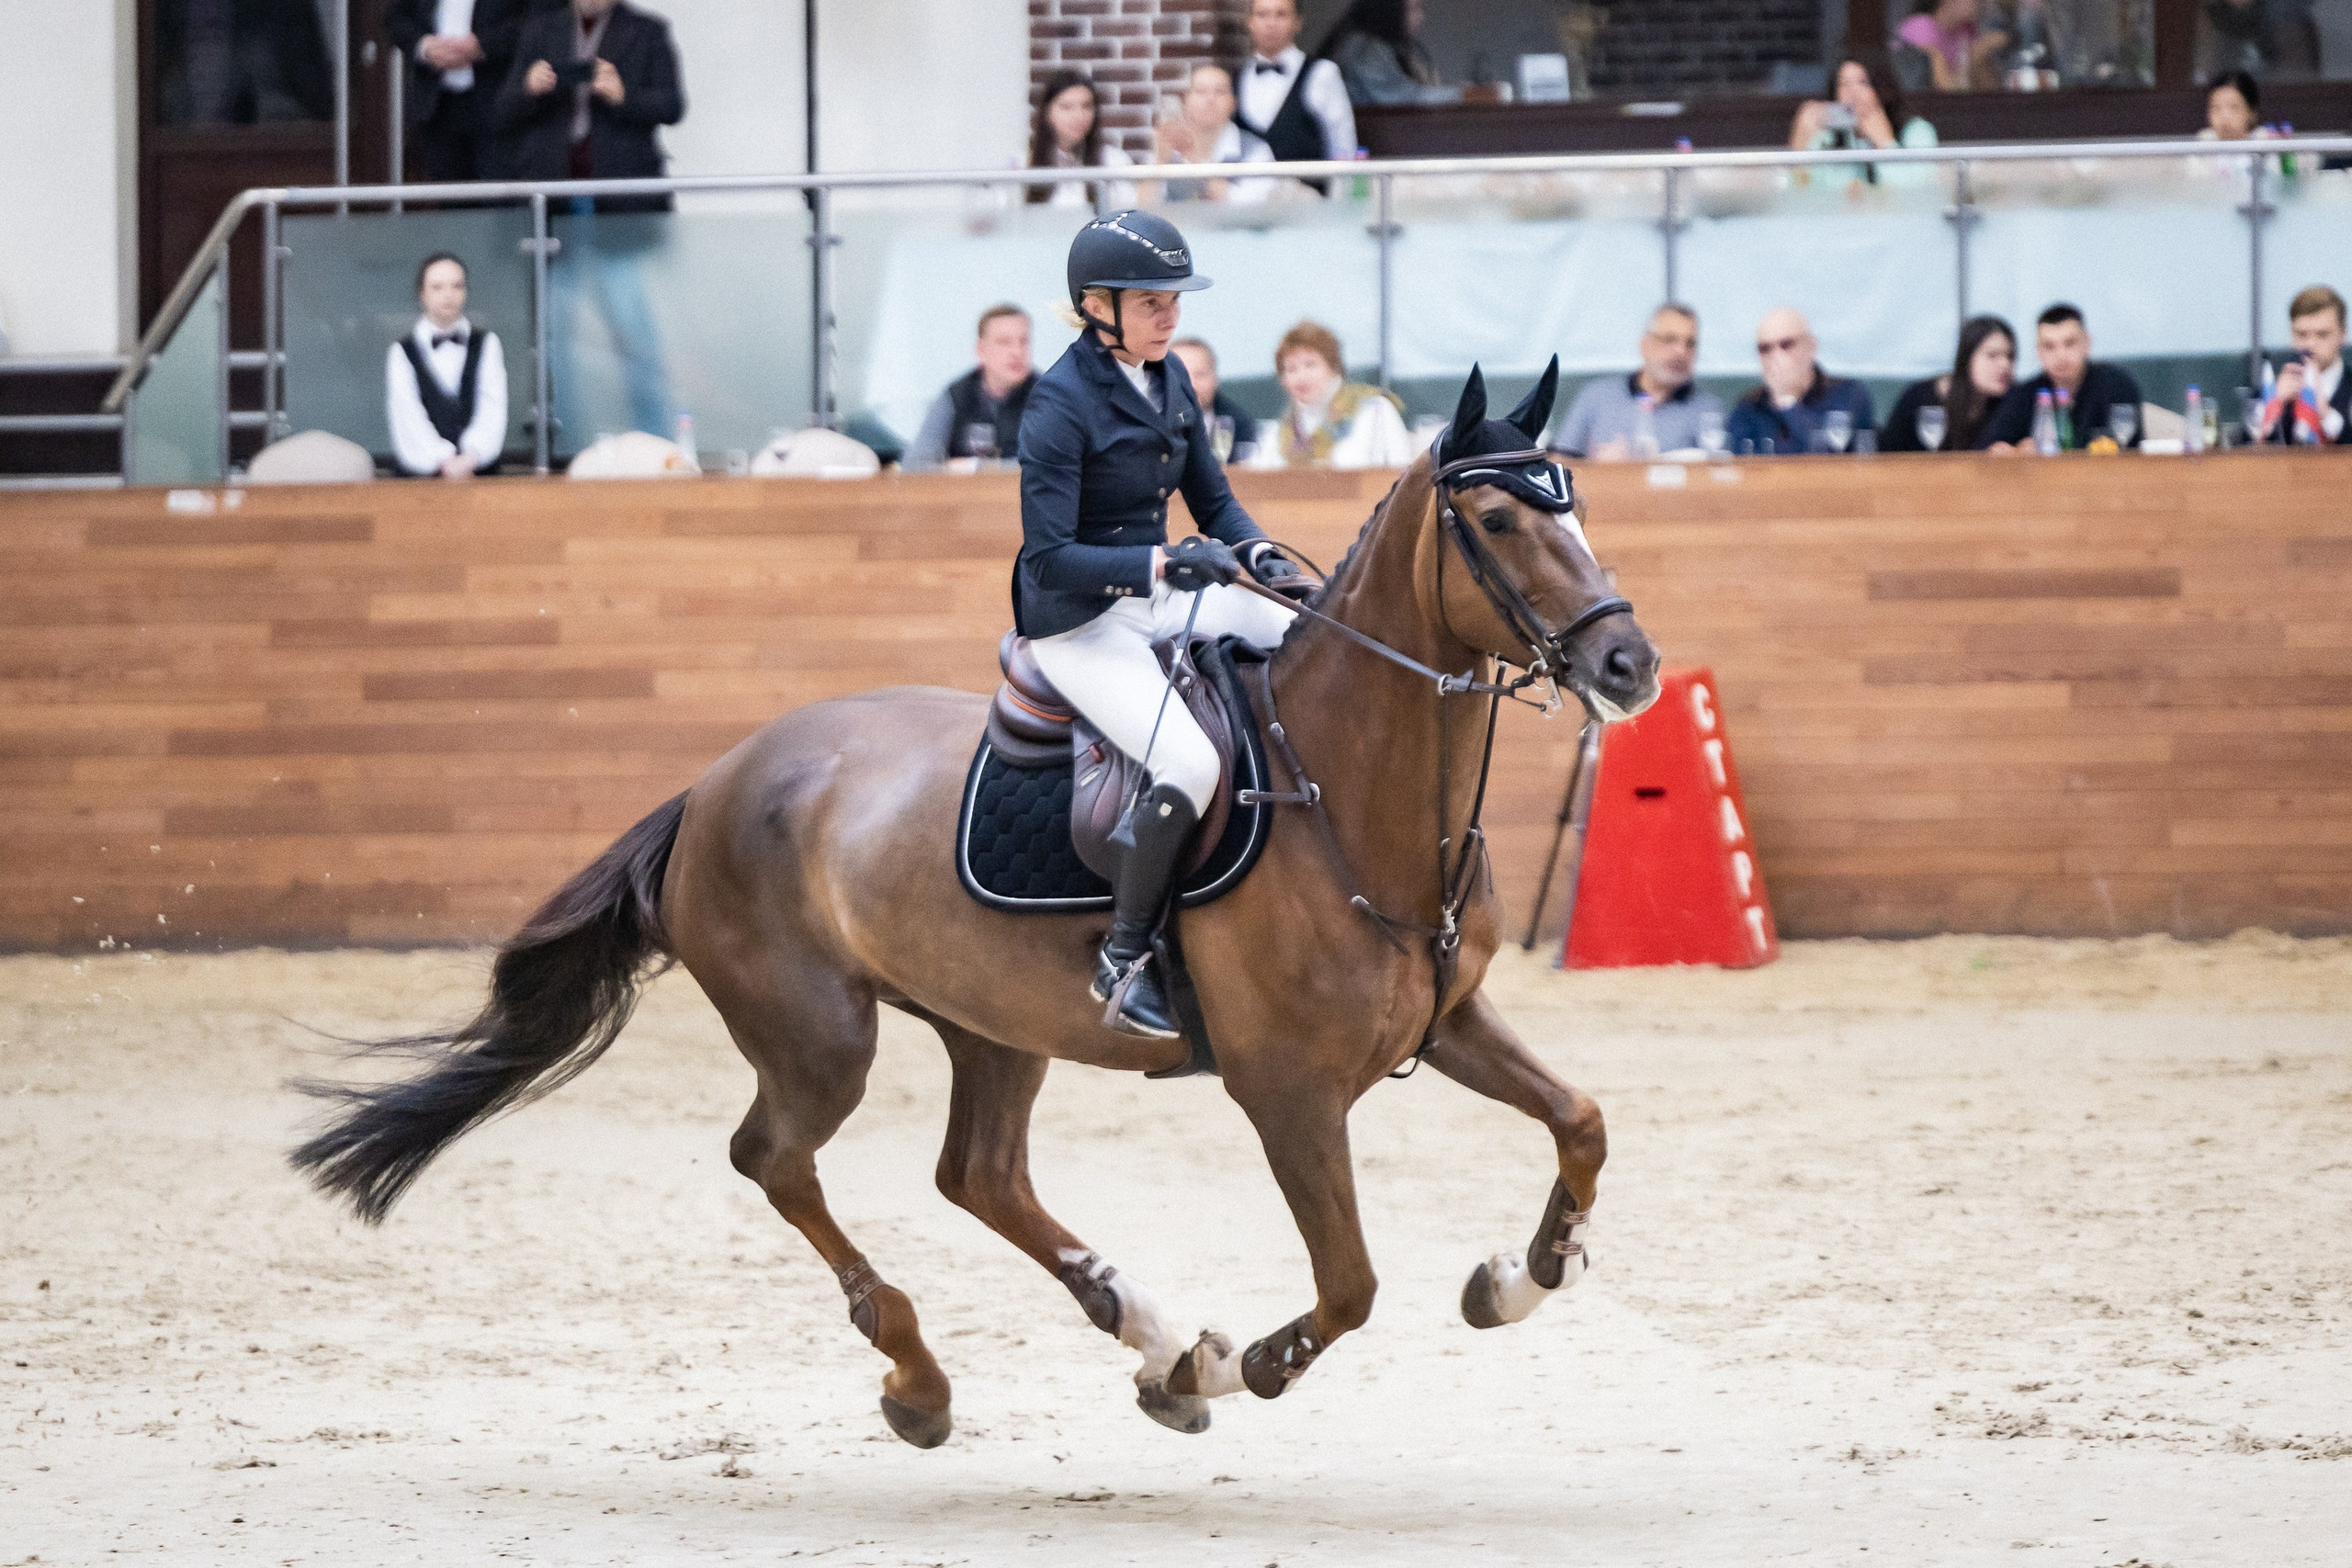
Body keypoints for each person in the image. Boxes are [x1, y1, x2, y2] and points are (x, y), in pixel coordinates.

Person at [1016, 211, 1311, 1037]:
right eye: (1152, 303)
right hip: (1081, 621)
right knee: (1187, 761)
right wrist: (1162, 565)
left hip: (1164, 589)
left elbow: (1212, 499)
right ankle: (1126, 952)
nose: (1171, 317)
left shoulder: (1171, 375)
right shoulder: (1057, 404)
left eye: (1175, 302)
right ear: (1097, 306)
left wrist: (1259, 557)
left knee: (1305, 635)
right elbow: (1048, 557)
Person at [496, 0, 685, 449]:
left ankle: (657, 441)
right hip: (554, 203)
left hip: (616, 203)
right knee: (555, 335)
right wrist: (527, 87)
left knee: (632, 328)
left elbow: (673, 106)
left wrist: (624, 96)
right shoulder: (542, 28)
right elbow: (501, 113)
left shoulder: (648, 31)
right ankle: (567, 444)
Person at [384, 0, 545, 181]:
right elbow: (396, 19)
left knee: (496, 196)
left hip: (498, 103)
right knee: (449, 198)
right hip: (438, 107)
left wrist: (482, 46)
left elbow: (536, 20)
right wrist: (424, 46)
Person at [386, 252, 508, 479]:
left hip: (480, 474)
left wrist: (471, 458)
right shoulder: (401, 352)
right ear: (422, 293)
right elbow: (408, 416)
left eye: (457, 286)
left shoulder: (487, 344)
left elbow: (493, 408)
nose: (448, 295)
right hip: (420, 479)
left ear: (466, 291)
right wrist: (442, 459)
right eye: (437, 287)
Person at [1549, 303, 1724, 458]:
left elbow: (1722, 478)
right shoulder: (1596, 397)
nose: (1680, 351)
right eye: (1669, 340)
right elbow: (1558, 464)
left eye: (1690, 344)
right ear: (1644, 344)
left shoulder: (1708, 410)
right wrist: (1598, 470)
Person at [1981, 304, 2144, 452]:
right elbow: (1988, 448)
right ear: (2038, 352)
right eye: (2049, 346)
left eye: (2069, 343)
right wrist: (2013, 450)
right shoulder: (2024, 394)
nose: (2061, 356)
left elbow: (2131, 449)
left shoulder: (2117, 384)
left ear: (2086, 343)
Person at [1250, 321, 1413, 469]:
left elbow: (1404, 479)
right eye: (1291, 369)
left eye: (1310, 364)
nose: (1301, 376)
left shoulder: (1375, 410)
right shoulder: (1280, 430)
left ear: (1333, 366)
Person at [1235, 0, 1359, 192]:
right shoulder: (1235, 79)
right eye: (1262, 14)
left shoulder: (1322, 73)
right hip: (1246, 209)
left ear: (1298, 22)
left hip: (1309, 208)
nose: (1271, 23)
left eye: (1281, 14)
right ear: (1250, 22)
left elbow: (1343, 148)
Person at [1725, 309, 1877, 455]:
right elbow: (1735, 465)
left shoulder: (1847, 394)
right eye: (1765, 349)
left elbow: (1827, 457)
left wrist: (1788, 401)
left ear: (1811, 348)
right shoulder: (1749, 408)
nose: (1776, 356)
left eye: (1786, 345)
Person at [906, 305, 1037, 470]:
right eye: (1005, 342)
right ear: (981, 350)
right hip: (965, 496)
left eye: (1023, 341)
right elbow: (914, 465)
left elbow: (1051, 465)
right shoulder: (955, 396)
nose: (1017, 352)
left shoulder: (1049, 396)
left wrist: (973, 467)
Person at [1788, 55, 1937, 188]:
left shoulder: (1917, 131)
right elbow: (1802, 194)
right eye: (1844, 84)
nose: (1853, 93)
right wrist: (1800, 142)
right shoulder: (1827, 138)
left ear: (1882, 88)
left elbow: (1919, 192)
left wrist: (1886, 143)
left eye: (1863, 82)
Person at [1882, 315, 2016, 452]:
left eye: (2010, 356)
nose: (2005, 365)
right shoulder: (1922, 398)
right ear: (1967, 357)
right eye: (1992, 355)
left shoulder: (2012, 402)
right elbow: (1886, 453)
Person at [1149, 63, 1275, 205]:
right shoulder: (1168, 145)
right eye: (1201, 91)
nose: (1210, 99)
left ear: (1233, 103)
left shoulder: (1257, 151)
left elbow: (1252, 209)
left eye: (1220, 92)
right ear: (1185, 100)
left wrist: (1194, 161)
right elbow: (1141, 209)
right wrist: (1159, 161)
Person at [1025, 71, 1136, 210]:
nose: (1079, 116)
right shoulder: (1024, 163)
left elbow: (1130, 211)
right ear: (1047, 113)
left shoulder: (1114, 160)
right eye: (1067, 107)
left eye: (1086, 106)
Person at [1315, 0, 1459, 107]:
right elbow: (1403, 97)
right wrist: (1463, 95)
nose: (1420, 18)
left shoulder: (1386, 45)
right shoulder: (1363, 49)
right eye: (1413, 9)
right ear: (1389, 10)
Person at [2258, 285, 2348, 445]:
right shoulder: (2273, 383)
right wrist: (2274, 406)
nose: (2311, 344)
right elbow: (2241, 446)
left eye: (2322, 335)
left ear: (2343, 334)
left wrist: (2325, 414)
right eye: (2302, 335)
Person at [1170, 338, 1261, 463]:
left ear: (1215, 379)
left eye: (1200, 375)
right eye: (1180, 375)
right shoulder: (1146, 421)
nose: (1191, 385)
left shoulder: (1239, 423)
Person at [1891, 0, 2008, 89]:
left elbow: (1991, 89)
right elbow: (1946, 91)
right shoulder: (1921, 27)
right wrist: (1978, 51)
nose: (1981, 3)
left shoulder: (1966, 32)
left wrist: (1982, 54)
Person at [2200, 68, 2267, 141]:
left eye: (2234, 107)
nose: (2225, 116)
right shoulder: (2200, 147)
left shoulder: (2267, 147)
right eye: (2216, 108)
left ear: (2251, 112)